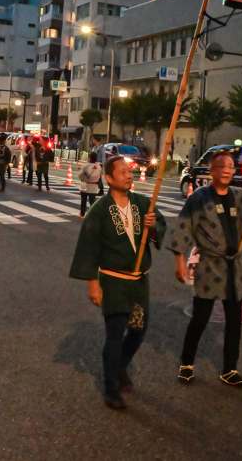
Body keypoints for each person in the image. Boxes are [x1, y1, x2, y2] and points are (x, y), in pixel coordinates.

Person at [168, 150, 242, 387]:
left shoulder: (239, 195)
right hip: (209, 264)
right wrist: (179, 260)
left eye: (230, 166)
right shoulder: (199, 197)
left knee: (234, 321)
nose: (227, 169)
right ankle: (186, 364)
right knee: (200, 318)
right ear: (212, 171)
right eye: (222, 166)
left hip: (233, 266)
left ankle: (230, 369)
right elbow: (183, 227)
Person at [69, 156, 166, 410]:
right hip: (113, 281)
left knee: (138, 330)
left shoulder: (143, 202)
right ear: (109, 178)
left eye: (129, 171)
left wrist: (153, 226)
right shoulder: (99, 210)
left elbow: (159, 228)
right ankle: (111, 386)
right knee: (115, 333)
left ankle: (121, 365)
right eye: (122, 172)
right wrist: (93, 283)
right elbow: (88, 247)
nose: (129, 175)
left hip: (138, 283)